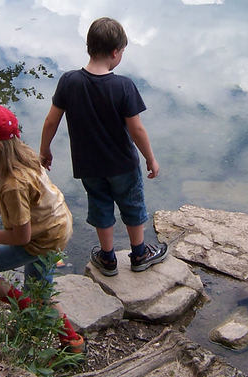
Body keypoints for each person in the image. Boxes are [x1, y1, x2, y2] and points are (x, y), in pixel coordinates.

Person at [0, 103, 85, 353]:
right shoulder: (20, 157)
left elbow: (22, 236)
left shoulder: (13, 185)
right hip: (55, 227)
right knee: (40, 290)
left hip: (42, 241)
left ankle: (70, 341)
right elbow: (21, 196)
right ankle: (33, 312)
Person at [39, 17, 167, 277]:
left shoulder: (68, 81)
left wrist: (45, 150)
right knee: (131, 205)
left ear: (89, 47)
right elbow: (136, 129)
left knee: (100, 205)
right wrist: (150, 158)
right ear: (115, 53)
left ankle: (107, 258)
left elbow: (51, 120)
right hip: (123, 164)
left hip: (89, 166)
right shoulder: (124, 86)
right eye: (122, 52)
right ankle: (139, 253)